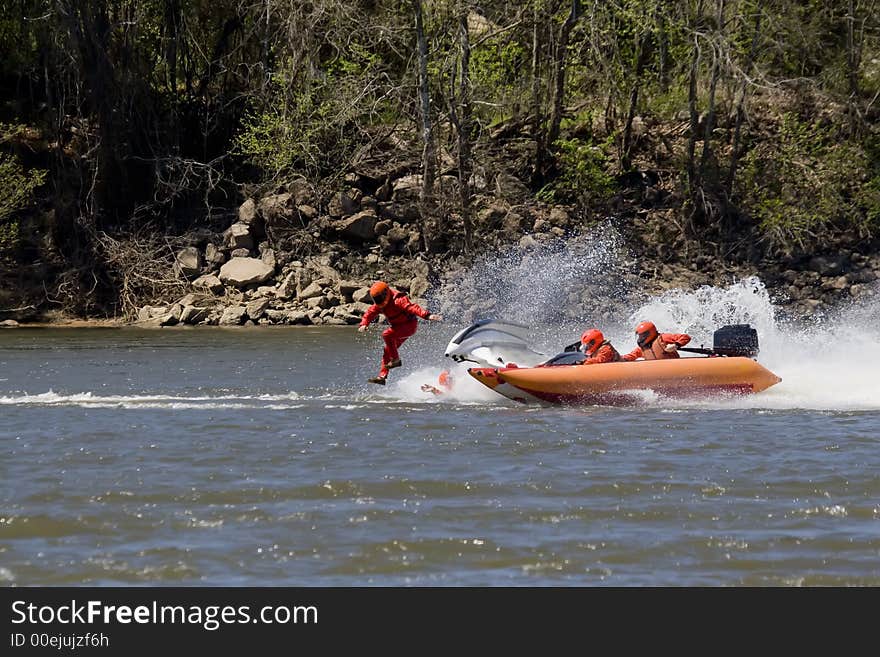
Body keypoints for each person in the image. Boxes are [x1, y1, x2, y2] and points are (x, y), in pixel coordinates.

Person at [358, 281, 443, 385]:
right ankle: (382, 376)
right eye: (376, 299)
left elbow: (412, 307)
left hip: (409, 326)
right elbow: (370, 312)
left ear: (386, 293)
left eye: (380, 298)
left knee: (386, 335)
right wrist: (364, 323)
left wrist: (427, 316)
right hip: (398, 328)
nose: (379, 301)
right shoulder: (380, 304)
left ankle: (396, 359)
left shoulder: (398, 300)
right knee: (387, 350)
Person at [622, 321, 691, 361]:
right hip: (657, 373)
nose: (641, 338)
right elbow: (631, 356)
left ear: (650, 333)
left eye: (643, 336)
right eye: (640, 336)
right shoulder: (641, 349)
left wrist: (676, 345)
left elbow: (686, 337)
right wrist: (619, 358)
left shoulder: (663, 338)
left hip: (674, 368)